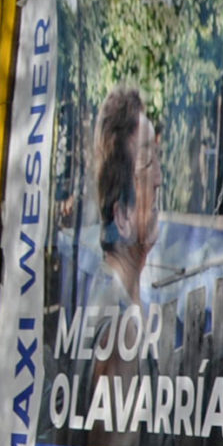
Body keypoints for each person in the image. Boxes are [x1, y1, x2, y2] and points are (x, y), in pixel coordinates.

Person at [93, 83, 162, 305]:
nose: (159, 180)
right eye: (148, 163)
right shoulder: (115, 325)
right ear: (122, 216)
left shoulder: (125, 302)